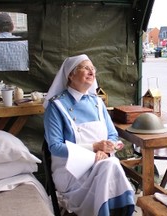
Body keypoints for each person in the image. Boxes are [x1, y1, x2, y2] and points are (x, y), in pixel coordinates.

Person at [43, 54, 135, 216]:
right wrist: (93, 148)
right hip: (69, 172)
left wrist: (105, 151)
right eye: (85, 67)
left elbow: (113, 136)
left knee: (109, 164)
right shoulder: (56, 106)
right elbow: (55, 147)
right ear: (70, 75)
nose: (91, 71)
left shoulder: (97, 103)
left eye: (93, 68)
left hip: (100, 163)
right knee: (111, 166)